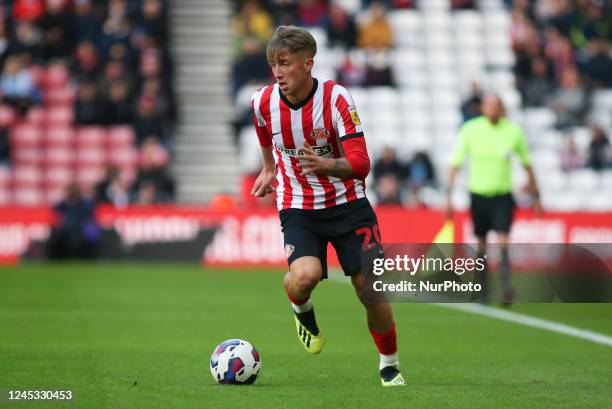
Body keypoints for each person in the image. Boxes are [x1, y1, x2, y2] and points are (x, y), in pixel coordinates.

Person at [250, 26, 406, 387]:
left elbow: (362, 162)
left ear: (307, 64)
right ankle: (301, 308)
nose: (277, 71)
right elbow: (262, 129)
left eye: (285, 64)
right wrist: (270, 167)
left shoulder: (336, 99)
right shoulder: (262, 101)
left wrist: (329, 165)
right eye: (273, 63)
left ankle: (389, 363)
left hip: (349, 206)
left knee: (370, 288)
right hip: (299, 207)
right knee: (303, 277)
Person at [445, 94, 542, 304]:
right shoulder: (470, 130)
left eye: (496, 105)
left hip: (502, 196)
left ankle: (506, 286)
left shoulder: (513, 132)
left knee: (503, 238)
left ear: (502, 108)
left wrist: (536, 196)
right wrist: (448, 197)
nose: (492, 109)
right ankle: (483, 289)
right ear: (483, 108)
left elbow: (527, 164)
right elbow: (456, 164)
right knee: (481, 242)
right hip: (478, 194)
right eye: (489, 105)